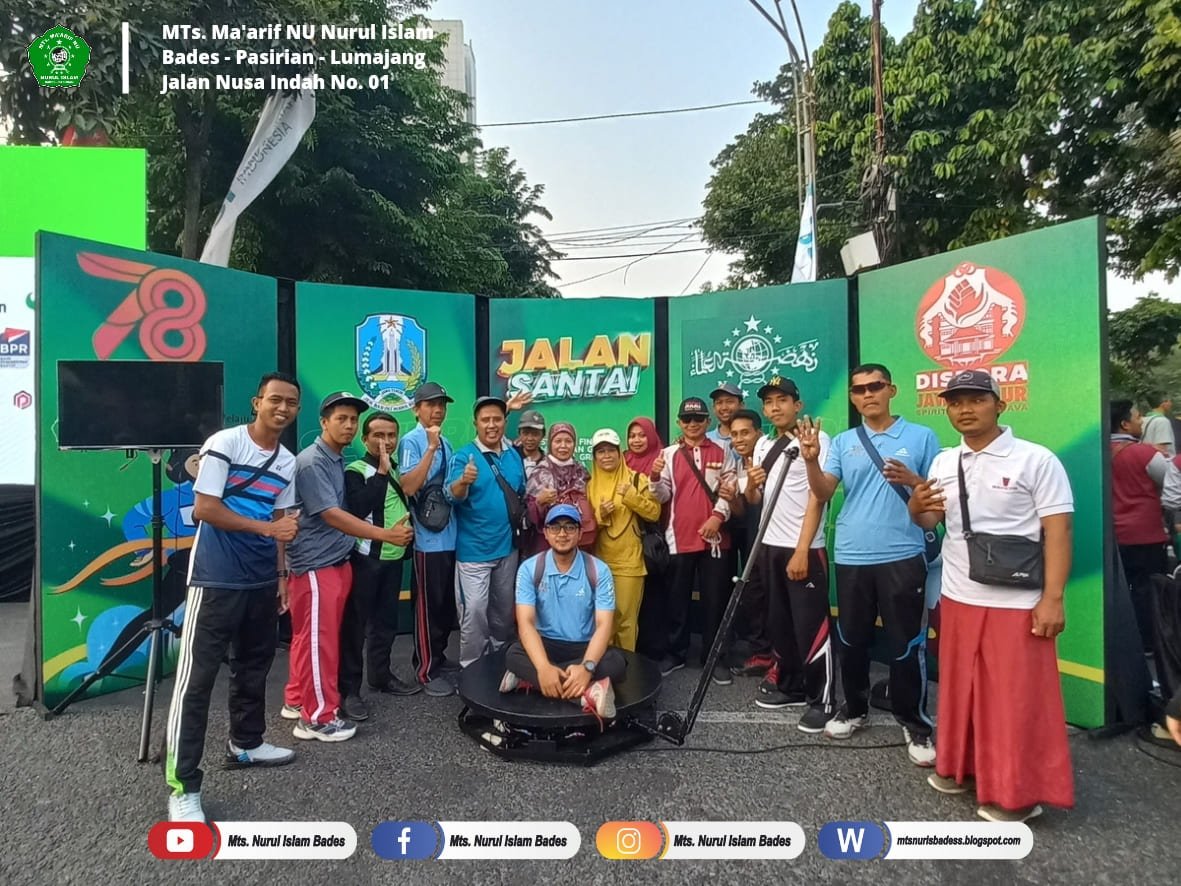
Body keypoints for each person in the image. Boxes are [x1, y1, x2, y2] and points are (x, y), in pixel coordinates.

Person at [909, 369, 1074, 823]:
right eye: (955, 401)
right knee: (962, 691)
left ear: (1000, 404)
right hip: (959, 594)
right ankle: (959, 768)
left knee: (1014, 699)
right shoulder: (944, 461)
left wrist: (1053, 598)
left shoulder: (1036, 460)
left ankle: (1017, 793)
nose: (965, 409)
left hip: (1017, 601)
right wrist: (915, 504)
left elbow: (1058, 532)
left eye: (976, 399)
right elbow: (929, 523)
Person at [164, 372, 302, 823]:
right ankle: (183, 786)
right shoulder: (226, 442)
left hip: (261, 580)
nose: (283, 409)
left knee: (253, 668)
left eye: (291, 403)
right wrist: (267, 528)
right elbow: (205, 508)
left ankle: (245, 744)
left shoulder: (287, 461)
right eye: (275, 400)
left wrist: (281, 574)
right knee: (196, 683)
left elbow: (282, 517)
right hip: (216, 579)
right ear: (257, 401)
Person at [797, 363, 941, 766]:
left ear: (891, 389)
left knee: (906, 643)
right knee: (853, 640)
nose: (867, 394)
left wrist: (913, 480)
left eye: (875, 386)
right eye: (859, 390)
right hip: (852, 555)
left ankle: (914, 722)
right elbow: (824, 490)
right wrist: (810, 461)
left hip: (903, 554)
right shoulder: (843, 442)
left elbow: (935, 494)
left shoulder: (921, 437)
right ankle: (855, 708)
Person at [282, 391, 411, 740]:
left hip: (335, 560)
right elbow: (333, 514)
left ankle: (297, 700)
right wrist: (384, 533)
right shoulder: (313, 462)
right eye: (342, 419)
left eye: (353, 419)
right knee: (320, 642)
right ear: (323, 422)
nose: (349, 425)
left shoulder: (334, 458)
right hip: (316, 563)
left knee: (310, 639)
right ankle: (318, 718)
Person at [750, 377, 834, 733]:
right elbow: (757, 501)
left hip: (804, 547)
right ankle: (791, 686)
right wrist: (752, 486)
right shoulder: (762, 444)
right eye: (769, 401)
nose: (775, 407)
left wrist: (803, 550)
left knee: (810, 627)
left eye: (782, 400)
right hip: (769, 545)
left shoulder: (815, 439)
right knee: (780, 623)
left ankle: (823, 699)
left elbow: (819, 496)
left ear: (797, 405)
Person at [500, 504, 624, 720]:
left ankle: (529, 680)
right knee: (513, 654)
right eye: (555, 528)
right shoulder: (530, 569)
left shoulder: (598, 570)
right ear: (546, 533)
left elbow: (605, 624)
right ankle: (586, 695)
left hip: (582, 646)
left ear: (580, 533)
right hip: (546, 644)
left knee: (617, 663)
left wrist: (587, 667)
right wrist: (542, 666)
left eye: (569, 527)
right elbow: (526, 623)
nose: (562, 534)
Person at [649, 396, 736, 682]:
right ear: (679, 422)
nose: (693, 424)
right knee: (677, 600)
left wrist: (717, 517)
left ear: (707, 421)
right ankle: (676, 653)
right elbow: (663, 495)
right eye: (687, 419)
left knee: (716, 600)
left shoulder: (724, 450)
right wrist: (653, 478)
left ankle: (715, 657)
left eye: (698, 419)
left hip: (716, 540)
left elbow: (730, 488)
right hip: (679, 537)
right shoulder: (670, 452)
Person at [339, 412, 419, 719]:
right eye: (378, 435)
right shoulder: (355, 469)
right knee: (355, 628)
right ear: (364, 439)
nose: (386, 442)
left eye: (391, 436)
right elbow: (358, 509)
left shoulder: (400, 468)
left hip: (394, 559)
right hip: (365, 560)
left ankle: (381, 676)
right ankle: (350, 692)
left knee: (385, 624)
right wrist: (383, 473)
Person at [447, 396, 528, 667]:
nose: (491, 425)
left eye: (497, 419)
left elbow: (520, 493)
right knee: (475, 613)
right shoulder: (464, 456)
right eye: (485, 420)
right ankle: (471, 668)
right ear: (475, 423)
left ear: (505, 422)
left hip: (508, 549)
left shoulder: (513, 455)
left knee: (503, 614)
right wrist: (463, 481)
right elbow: (452, 496)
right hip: (474, 552)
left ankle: (497, 664)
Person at [398, 381, 461, 697]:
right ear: (416, 409)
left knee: (444, 606)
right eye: (430, 404)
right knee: (426, 607)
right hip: (427, 542)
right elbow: (409, 486)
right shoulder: (412, 441)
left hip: (450, 538)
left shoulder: (447, 442)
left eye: (442, 404)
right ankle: (424, 670)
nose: (437, 409)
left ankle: (439, 656)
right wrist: (431, 447)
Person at [587, 427, 661, 651]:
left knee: (626, 622)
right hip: (599, 562)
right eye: (601, 451)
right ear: (594, 456)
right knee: (602, 621)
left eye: (611, 450)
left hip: (629, 562)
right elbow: (584, 528)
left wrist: (632, 497)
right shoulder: (588, 485)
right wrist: (600, 516)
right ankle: (604, 667)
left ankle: (628, 669)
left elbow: (654, 513)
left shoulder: (637, 479)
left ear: (620, 452)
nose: (606, 456)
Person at [1110, 399, 1169, 653]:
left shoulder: (1096, 452)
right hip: (1146, 535)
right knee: (1147, 592)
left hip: (1111, 535)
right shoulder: (1145, 454)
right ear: (1124, 424)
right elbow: (1169, 484)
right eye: (1136, 417)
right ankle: (1147, 643)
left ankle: (1118, 642)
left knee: (1116, 591)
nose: (1141, 420)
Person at [722, 408, 775, 676]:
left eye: (745, 432)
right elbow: (745, 512)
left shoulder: (771, 461)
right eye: (734, 434)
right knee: (754, 597)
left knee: (776, 602)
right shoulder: (738, 466)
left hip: (778, 545)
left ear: (759, 432)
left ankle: (782, 658)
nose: (739, 439)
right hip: (753, 544)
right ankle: (762, 654)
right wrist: (731, 498)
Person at [625, 417, 667, 658]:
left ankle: (654, 651)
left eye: (642, 435)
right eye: (632, 435)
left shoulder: (662, 459)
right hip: (625, 541)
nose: (637, 440)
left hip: (652, 539)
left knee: (654, 596)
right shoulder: (622, 461)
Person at [526, 422, 593, 554]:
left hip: (580, 544)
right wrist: (539, 502)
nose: (563, 446)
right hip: (547, 546)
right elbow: (529, 517)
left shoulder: (582, 472)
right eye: (558, 441)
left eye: (568, 441)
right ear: (550, 443)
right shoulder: (540, 472)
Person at [707, 381, 745, 464]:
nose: (724, 407)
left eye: (729, 402)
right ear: (713, 408)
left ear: (741, 405)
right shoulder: (705, 439)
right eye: (719, 403)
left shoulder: (755, 438)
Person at [515, 409, 547, 481]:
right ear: (519, 434)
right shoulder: (511, 456)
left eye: (535, 434)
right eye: (525, 433)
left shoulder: (548, 463)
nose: (530, 438)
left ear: (543, 435)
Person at [1141, 391, 1175, 457]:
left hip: (1147, 459)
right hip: (1164, 463)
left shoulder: (1142, 420)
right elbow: (1162, 449)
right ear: (1163, 403)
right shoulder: (1162, 421)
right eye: (1169, 401)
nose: (1171, 404)